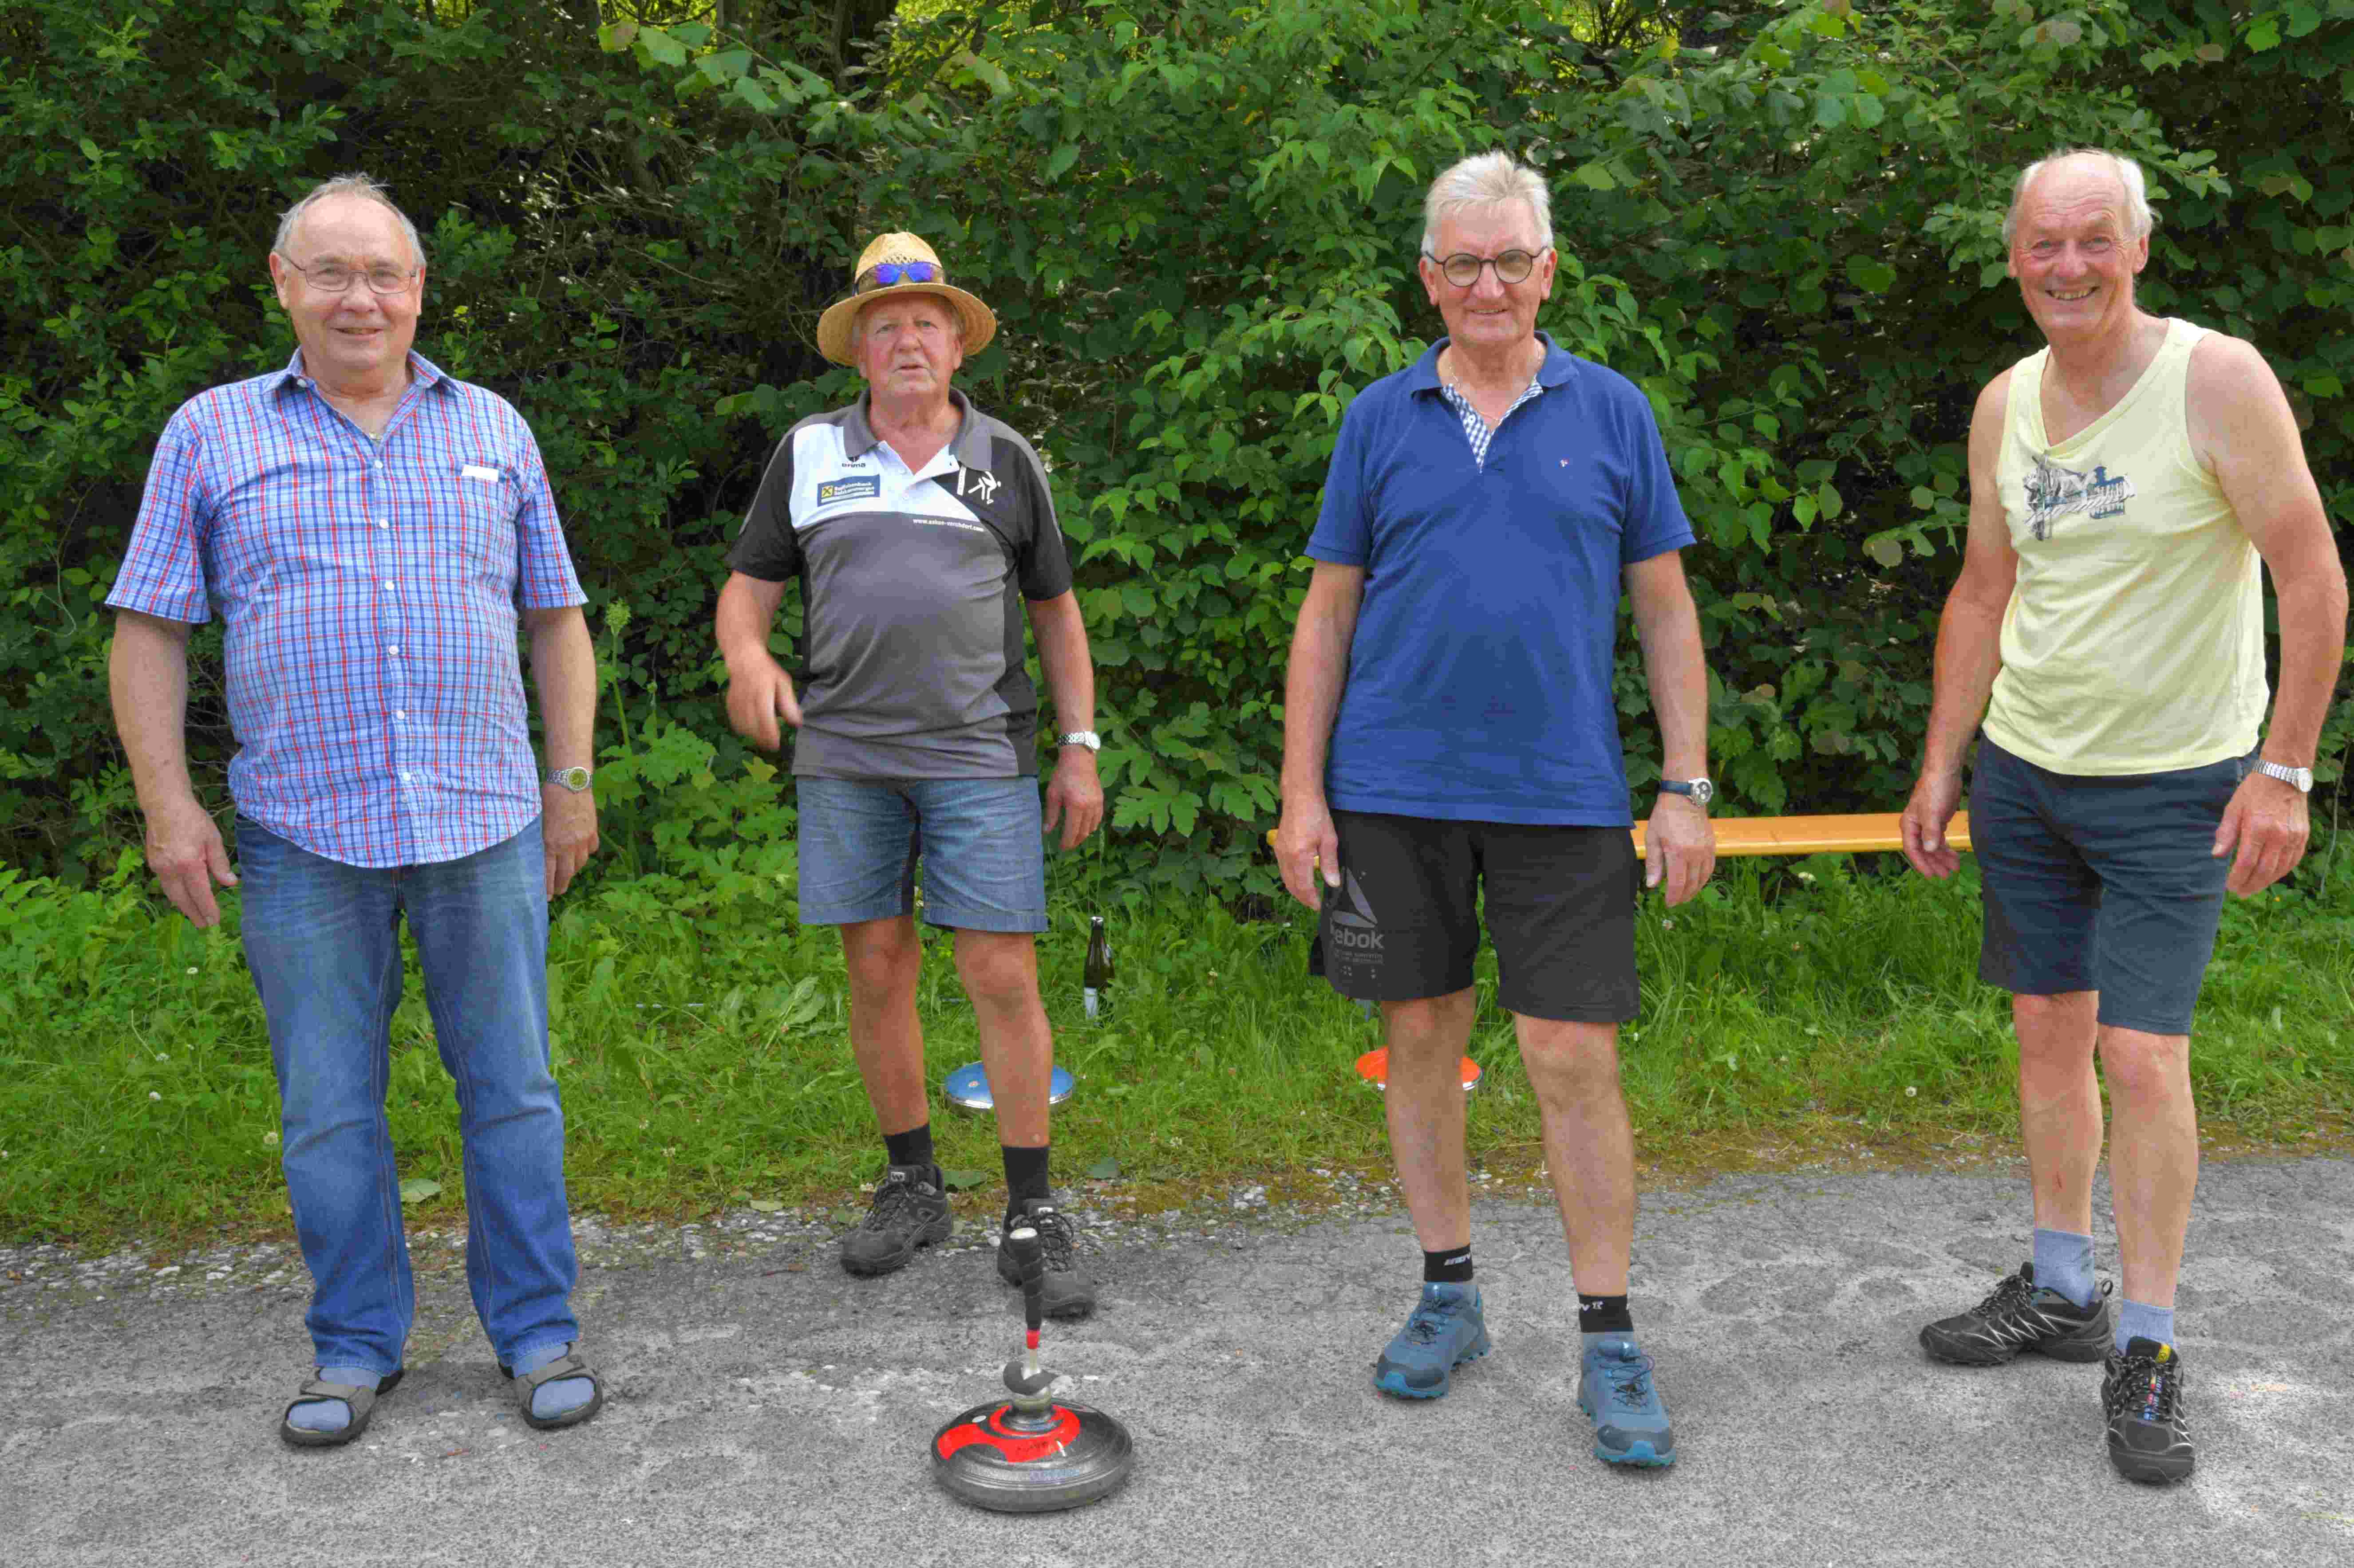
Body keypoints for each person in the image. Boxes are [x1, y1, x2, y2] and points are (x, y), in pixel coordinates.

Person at [106, 174, 608, 1446]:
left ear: (419, 288)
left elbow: (556, 618)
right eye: (329, 271)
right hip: (302, 833)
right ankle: (355, 1343)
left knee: (514, 1090)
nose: (359, 298)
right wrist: (169, 806)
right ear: (283, 285)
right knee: (329, 1106)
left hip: (486, 819)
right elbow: (149, 626)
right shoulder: (210, 432)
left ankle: (536, 1329)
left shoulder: (492, 426)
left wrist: (571, 780)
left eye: (383, 273)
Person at [1901, 150, 2346, 1485]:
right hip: (2030, 775)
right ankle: (2061, 1287)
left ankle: (2147, 1344)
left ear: (2140, 248)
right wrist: (1943, 764)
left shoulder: (2217, 381)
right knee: (2049, 1037)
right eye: (2045, 243)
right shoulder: (2005, 405)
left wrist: (2286, 770)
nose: (2070, 266)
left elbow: (2312, 576)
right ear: (2013, 258)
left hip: (2179, 786)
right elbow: (1983, 592)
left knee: (2143, 1056)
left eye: (2096, 239)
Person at [1275, 153, 1717, 1468]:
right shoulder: (1378, 418)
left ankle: (1609, 1337)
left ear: (1548, 270)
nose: (1488, 284)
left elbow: (1666, 610)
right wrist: (1301, 791)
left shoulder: (1613, 409)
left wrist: (1686, 785)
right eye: (1463, 263)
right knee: (1421, 1040)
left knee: (1572, 1056)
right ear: (1429, 278)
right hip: (1390, 790)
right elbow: (1328, 613)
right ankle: (1449, 1293)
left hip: (1562, 791)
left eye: (1510, 260)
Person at [715, 233, 1106, 1315]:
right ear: (859, 350)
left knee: (1002, 973)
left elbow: (1057, 612)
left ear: (958, 344)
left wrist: (1079, 748)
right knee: (878, 967)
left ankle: (1032, 1210)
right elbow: (748, 590)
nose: (907, 342)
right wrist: (748, 658)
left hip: (980, 753)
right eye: (885, 327)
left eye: (927, 323)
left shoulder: (1005, 460)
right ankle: (912, 1184)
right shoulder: (808, 453)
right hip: (846, 756)